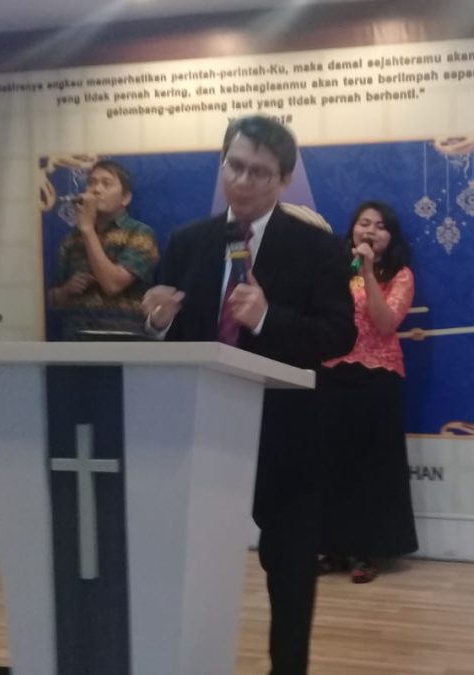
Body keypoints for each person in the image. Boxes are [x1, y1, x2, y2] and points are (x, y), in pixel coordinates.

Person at [141, 115, 356, 675]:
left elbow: (339, 335)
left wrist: (266, 318)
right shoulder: (188, 242)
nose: (242, 180)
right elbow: (173, 336)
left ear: (283, 179)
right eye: (234, 166)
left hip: (287, 432)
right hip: (199, 431)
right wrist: (158, 324)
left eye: (259, 172)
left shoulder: (317, 248)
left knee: (289, 571)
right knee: (189, 564)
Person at [316, 201, 419, 584]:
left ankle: (366, 551)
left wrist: (370, 273)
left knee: (371, 466)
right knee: (330, 462)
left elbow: (385, 321)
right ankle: (332, 547)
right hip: (332, 371)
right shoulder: (333, 268)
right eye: (364, 223)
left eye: (380, 226)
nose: (370, 231)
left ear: (390, 236)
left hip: (378, 375)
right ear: (352, 230)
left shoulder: (400, 275)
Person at [48, 159, 159, 338]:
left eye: (106, 184)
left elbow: (113, 285)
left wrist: (87, 230)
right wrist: (66, 290)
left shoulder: (140, 234)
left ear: (125, 198)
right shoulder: (71, 239)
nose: (96, 189)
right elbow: (52, 300)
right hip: (77, 339)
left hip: (124, 340)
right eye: (91, 183)